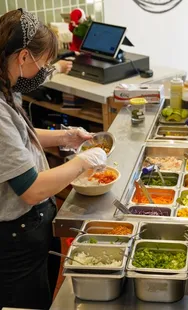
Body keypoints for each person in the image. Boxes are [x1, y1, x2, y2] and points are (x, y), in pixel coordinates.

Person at [0, 9, 107, 310]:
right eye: (43, 64)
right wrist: (81, 162)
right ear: (23, 57)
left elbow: (19, 135)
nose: (44, 71)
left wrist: (64, 137)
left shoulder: (6, 88)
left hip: (32, 227)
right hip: (15, 237)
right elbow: (31, 189)